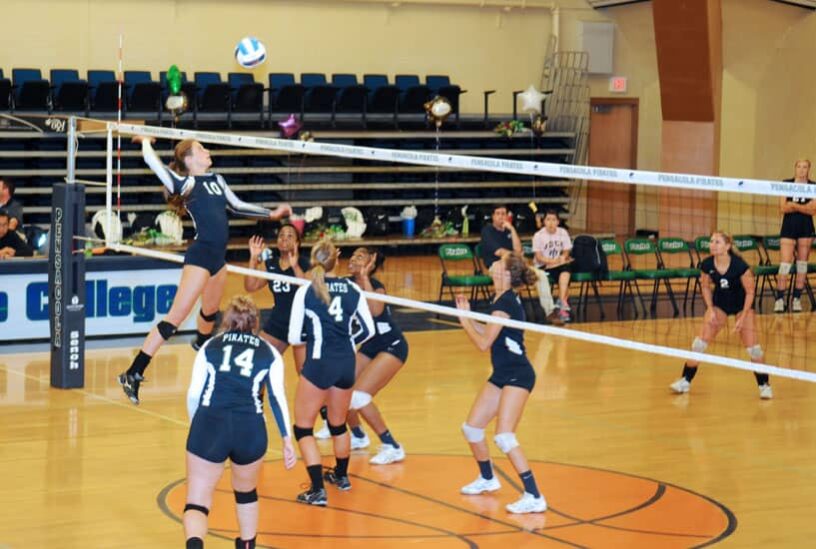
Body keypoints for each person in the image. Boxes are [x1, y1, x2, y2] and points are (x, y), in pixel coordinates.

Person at [118, 137, 292, 405]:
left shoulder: (217, 180)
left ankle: (201, 344)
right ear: (189, 160)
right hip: (200, 256)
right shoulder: (187, 184)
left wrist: (272, 214)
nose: (207, 150)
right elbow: (153, 163)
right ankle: (133, 372)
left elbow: (238, 206)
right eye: (202, 148)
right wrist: (144, 142)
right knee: (175, 318)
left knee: (210, 313)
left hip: (217, 260)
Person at [184, 295, 297, 549]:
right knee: (246, 493)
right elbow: (277, 398)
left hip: (211, 423)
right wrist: (287, 439)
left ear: (226, 320)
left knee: (197, 502)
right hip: (250, 429)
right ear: (256, 322)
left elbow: (194, 394)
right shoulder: (269, 352)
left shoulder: (211, 346)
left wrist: (198, 426)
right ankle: (247, 545)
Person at [454, 252, 547, 514]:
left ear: (505, 274)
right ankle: (487, 478)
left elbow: (483, 344)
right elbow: (488, 334)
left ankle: (534, 495)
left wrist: (464, 320)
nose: (492, 264)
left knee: (505, 437)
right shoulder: (500, 298)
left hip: (518, 374)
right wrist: (469, 317)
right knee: (472, 428)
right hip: (503, 373)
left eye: (498, 263)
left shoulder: (504, 303)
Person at [288, 239, 375, 506]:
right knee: (338, 424)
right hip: (345, 364)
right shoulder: (352, 289)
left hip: (319, 363)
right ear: (337, 258)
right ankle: (341, 476)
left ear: (315, 259)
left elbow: (294, 336)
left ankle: (317, 490)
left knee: (303, 428)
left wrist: (313, 335)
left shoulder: (306, 290)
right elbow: (368, 330)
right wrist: (348, 340)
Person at [670, 231, 772, 399]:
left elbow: (750, 292)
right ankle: (685, 381)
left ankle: (764, 385)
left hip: (742, 305)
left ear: (727, 247)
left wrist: (743, 317)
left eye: (717, 242)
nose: (712, 244)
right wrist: (710, 308)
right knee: (699, 344)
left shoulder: (740, 266)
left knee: (754, 349)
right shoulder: (707, 264)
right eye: (711, 241)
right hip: (720, 304)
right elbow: (704, 287)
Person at [344, 247, 408, 464]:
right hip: (370, 346)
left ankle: (392, 446)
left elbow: (375, 311)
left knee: (359, 396)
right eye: (352, 255)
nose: (353, 258)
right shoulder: (345, 283)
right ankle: (359, 436)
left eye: (360, 256)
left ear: (370, 263)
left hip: (392, 345)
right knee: (341, 388)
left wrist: (364, 278)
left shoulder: (376, 287)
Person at [244, 226, 309, 373]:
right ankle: (257, 396)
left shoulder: (305, 263)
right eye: (281, 235)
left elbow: (309, 290)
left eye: (290, 236)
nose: (284, 238)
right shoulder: (270, 264)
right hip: (278, 323)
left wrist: (295, 266)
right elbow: (251, 286)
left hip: (302, 324)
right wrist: (253, 259)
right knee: (257, 364)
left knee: (305, 374)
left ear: (297, 243)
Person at [774, 159, 816, 313]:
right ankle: (779, 299)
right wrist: (804, 207)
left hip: (806, 229)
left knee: (802, 264)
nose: (802, 170)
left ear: (809, 169)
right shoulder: (787, 184)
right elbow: (783, 207)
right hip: (788, 228)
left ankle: (797, 299)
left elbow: (813, 210)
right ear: (795, 168)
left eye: (805, 167)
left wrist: (794, 205)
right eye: (799, 166)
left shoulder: (813, 186)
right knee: (785, 263)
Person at [532, 210, 573, 323]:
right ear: (544, 222)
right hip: (543, 266)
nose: (551, 222)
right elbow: (539, 257)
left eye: (553, 220)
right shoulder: (538, 235)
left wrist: (563, 257)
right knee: (564, 269)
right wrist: (553, 261)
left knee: (566, 269)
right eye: (548, 219)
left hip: (558, 265)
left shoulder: (563, 232)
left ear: (558, 222)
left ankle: (561, 303)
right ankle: (562, 306)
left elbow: (566, 251)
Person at [480, 204, 522, 269]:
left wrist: (512, 229)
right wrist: (517, 256)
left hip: (512, 264)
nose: (500, 216)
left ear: (507, 216)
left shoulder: (509, 230)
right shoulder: (487, 231)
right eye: (498, 214)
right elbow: (499, 252)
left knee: (536, 275)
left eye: (503, 214)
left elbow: (518, 250)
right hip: (495, 265)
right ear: (493, 216)